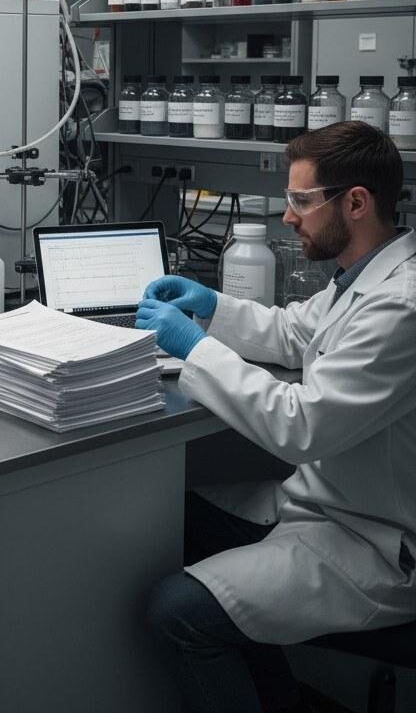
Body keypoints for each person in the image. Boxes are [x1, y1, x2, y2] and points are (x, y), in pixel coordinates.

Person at [135, 121, 416, 713]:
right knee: (169, 518)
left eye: (301, 201)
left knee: (175, 613)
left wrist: (194, 347)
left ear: (357, 203)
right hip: (328, 505)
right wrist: (214, 309)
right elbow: (294, 331)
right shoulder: (366, 275)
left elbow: (300, 425)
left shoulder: (401, 305)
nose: (289, 217)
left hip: (376, 542)